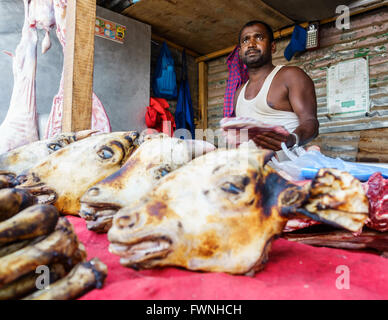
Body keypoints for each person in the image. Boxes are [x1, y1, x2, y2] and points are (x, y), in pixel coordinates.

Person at [230, 20, 319, 151]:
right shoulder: (239, 93)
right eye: (245, 40)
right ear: (239, 52)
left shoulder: (291, 76)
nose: (251, 44)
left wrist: (290, 139)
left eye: (259, 37)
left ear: (272, 47)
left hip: (287, 167)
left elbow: (310, 123)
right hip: (253, 168)